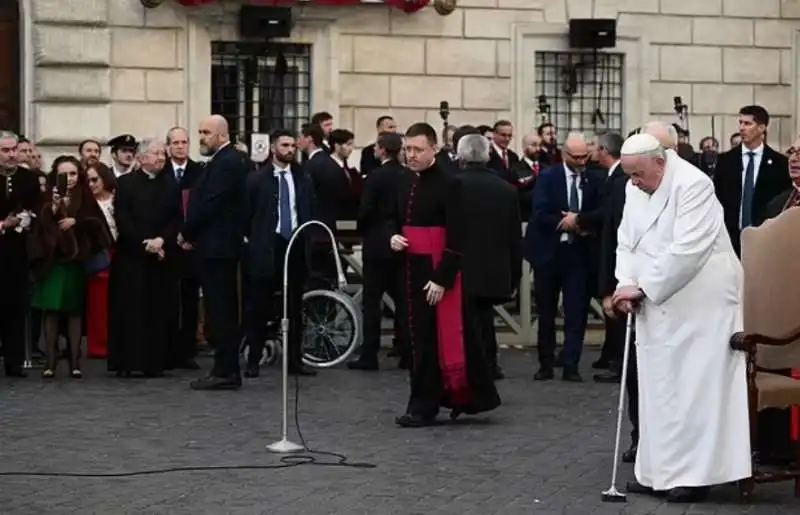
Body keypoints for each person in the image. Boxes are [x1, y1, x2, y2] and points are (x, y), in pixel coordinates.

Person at [612, 133, 750, 503]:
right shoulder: (634, 186)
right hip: (657, 296)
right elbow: (627, 239)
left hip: (702, 298)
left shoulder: (694, 184)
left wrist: (642, 288)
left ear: (661, 161)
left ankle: (697, 475)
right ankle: (658, 471)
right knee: (659, 387)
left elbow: (689, 249)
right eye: (630, 176)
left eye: (639, 174)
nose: (635, 182)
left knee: (695, 387)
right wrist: (625, 282)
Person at [388, 122, 500, 427]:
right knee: (413, 340)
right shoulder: (403, 181)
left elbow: (459, 236)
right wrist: (393, 237)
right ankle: (424, 400)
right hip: (409, 269)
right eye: (407, 149)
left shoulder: (450, 183)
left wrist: (442, 278)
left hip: (436, 271)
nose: (410, 155)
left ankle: (424, 406)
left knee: (431, 341)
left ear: (433, 150)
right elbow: (392, 219)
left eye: (417, 149)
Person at [524, 133, 602, 382]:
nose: (581, 162)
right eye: (576, 157)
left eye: (584, 157)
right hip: (549, 251)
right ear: (565, 155)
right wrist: (565, 223)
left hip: (579, 253)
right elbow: (539, 212)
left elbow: (600, 211)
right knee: (546, 311)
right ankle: (545, 363)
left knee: (576, 310)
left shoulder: (593, 178)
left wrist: (580, 222)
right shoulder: (548, 177)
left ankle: (571, 363)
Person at [242, 129, 316, 378]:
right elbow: (247, 215)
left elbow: (307, 209)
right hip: (266, 246)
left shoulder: (303, 178)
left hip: (293, 245)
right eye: (285, 145)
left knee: (294, 305)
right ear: (274, 148)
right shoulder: (257, 179)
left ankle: (295, 359)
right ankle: (254, 357)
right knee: (258, 306)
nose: (290, 150)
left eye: (293, 145)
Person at [183, 115, 250, 391]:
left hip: (219, 247)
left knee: (221, 310)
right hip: (215, 245)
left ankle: (226, 371)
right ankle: (224, 369)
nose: (201, 137)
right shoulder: (223, 161)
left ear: (222, 135)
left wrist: (186, 231)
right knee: (218, 309)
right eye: (199, 131)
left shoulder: (228, 162)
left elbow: (210, 202)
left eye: (206, 132)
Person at [107, 139, 182, 378]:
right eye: (156, 153)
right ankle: (128, 361)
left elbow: (176, 218)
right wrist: (145, 244)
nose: (161, 157)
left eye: (163, 153)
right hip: (133, 257)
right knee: (130, 310)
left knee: (158, 310)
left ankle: (156, 362)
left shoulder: (170, 184)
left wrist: (161, 240)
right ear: (141, 159)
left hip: (161, 256)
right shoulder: (126, 184)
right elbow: (123, 219)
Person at [456, 134, 522, 380]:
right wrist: (514, 277)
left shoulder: (452, 185)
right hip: (494, 269)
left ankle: (469, 366)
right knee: (485, 320)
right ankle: (489, 364)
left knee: (464, 322)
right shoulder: (506, 190)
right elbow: (515, 239)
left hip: (460, 267)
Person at [348, 131, 407, 371]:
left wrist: (363, 230)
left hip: (376, 246)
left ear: (382, 150)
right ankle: (406, 352)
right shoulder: (407, 176)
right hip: (402, 244)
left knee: (372, 303)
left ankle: (369, 355)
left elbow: (365, 211)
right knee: (403, 301)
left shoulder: (375, 177)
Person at [713, 105, 789, 257]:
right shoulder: (726, 161)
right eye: (740, 123)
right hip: (730, 239)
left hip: (765, 238)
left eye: (747, 124)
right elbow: (718, 198)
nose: (742, 128)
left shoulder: (779, 163)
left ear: (761, 128)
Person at [0, 130, 41, 377]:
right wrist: (3, 224)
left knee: (16, 306)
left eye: (14, 149)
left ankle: (14, 360)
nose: (11, 155)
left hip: (18, 253)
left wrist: (24, 219)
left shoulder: (28, 178)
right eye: (5, 151)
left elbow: (36, 208)